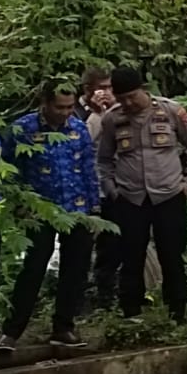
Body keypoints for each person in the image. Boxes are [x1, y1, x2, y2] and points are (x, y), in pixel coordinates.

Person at [0, 79, 101, 352]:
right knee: (33, 268)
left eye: (70, 107)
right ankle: (11, 331)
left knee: (75, 270)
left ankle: (63, 327)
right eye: (59, 107)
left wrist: (94, 209)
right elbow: (7, 169)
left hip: (77, 209)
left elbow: (88, 169)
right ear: (45, 103)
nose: (65, 112)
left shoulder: (78, 128)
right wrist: (18, 204)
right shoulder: (22, 129)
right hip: (38, 211)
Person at [97, 66, 187, 321]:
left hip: (169, 194)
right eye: (122, 98)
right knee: (131, 255)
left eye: (132, 96)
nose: (128, 103)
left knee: (172, 254)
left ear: (143, 89)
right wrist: (112, 190)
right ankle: (131, 311)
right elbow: (103, 160)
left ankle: (177, 310)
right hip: (130, 197)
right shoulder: (112, 119)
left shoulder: (171, 111)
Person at [77, 66, 119, 307]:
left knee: (111, 245)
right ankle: (78, 297)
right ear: (88, 88)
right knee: (81, 246)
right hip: (83, 188)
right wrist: (96, 114)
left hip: (111, 185)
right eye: (102, 87)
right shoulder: (74, 111)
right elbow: (81, 144)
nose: (107, 92)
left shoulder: (117, 110)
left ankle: (105, 294)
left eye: (110, 87)